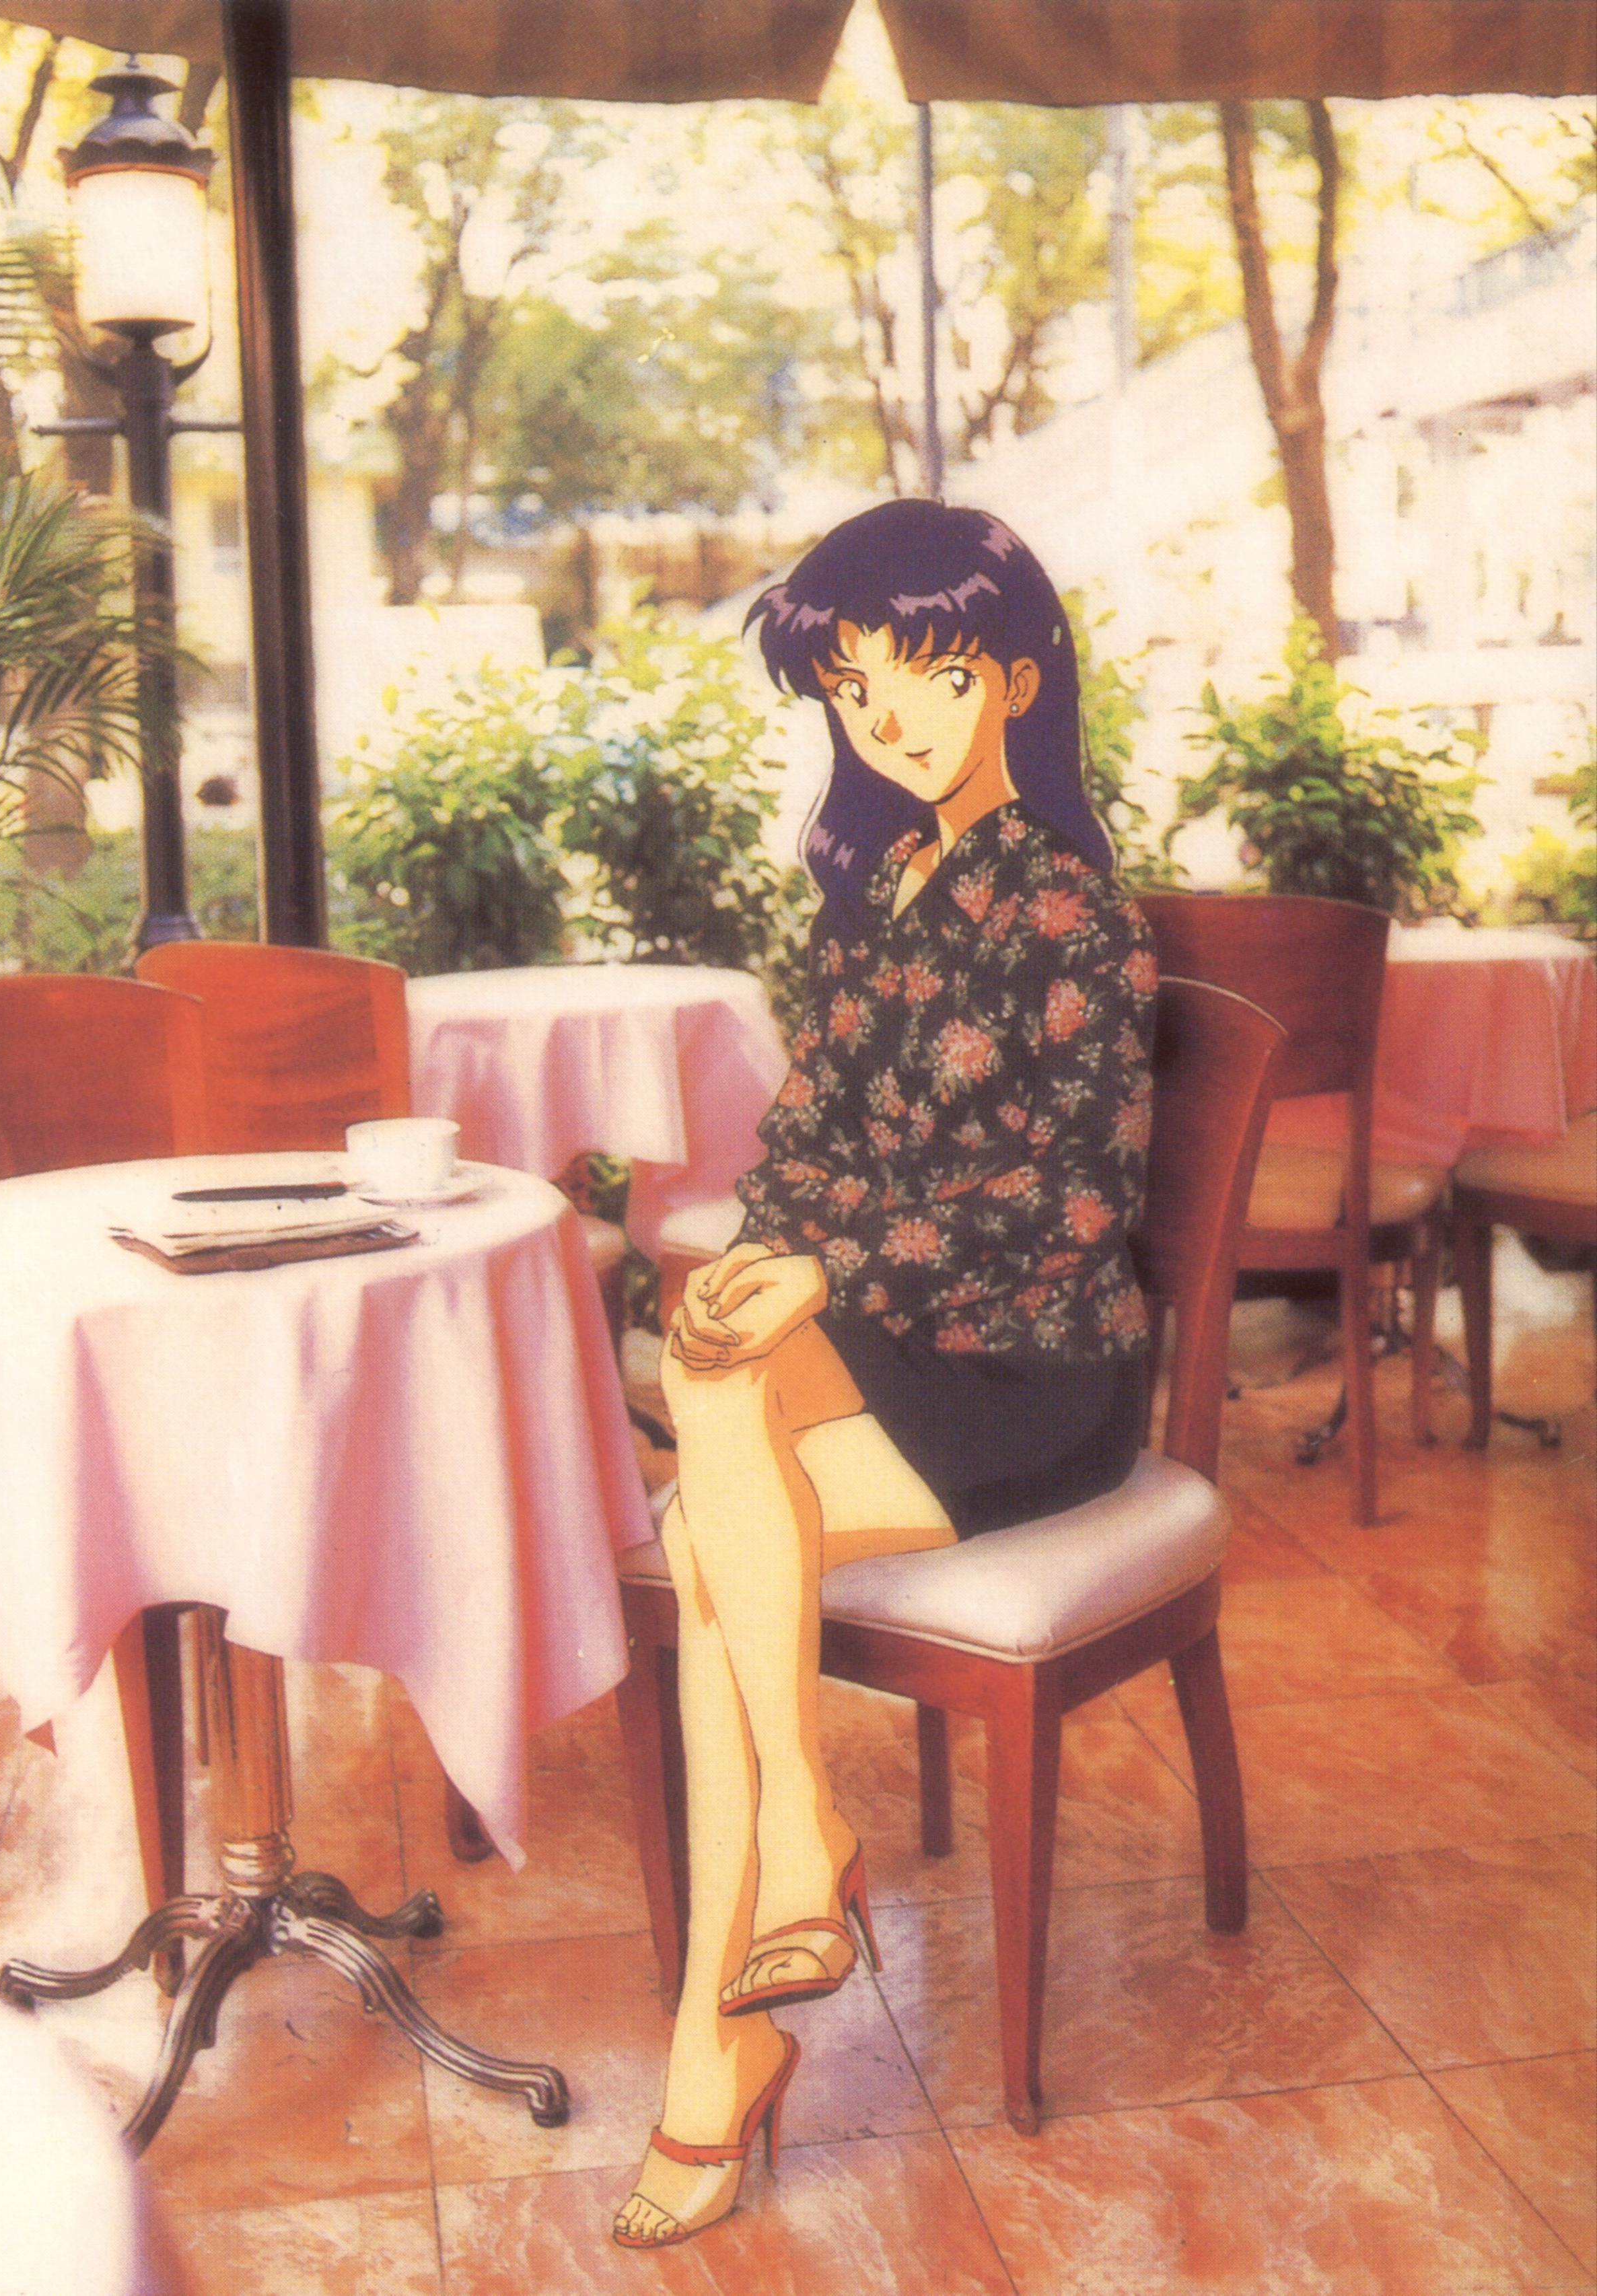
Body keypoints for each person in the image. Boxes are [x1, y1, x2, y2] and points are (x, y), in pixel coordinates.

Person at [612, 498, 1158, 2249]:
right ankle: (782, 1871)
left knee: (704, 1544)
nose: (891, 718)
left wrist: (831, 1268)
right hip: (899, 1339)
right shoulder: (879, 885)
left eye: (929, 673)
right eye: (855, 689)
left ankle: (728, 2023)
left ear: (1015, 676)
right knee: (716, 1372)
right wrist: (767, 1258)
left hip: (1037, 1368)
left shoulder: (1068, 904)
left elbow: (1073, 1205)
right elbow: (812, 1139)